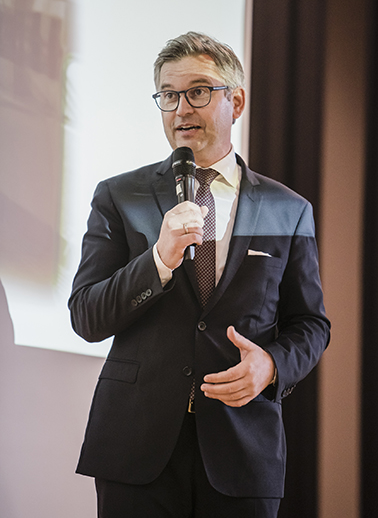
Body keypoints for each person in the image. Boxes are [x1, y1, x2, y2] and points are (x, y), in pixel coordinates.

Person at [68, 32, 330, 518]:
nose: (182, 108)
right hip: (135, 449)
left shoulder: (286, 209)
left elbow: (312, 325)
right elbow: (86, 315)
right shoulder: (120, 196)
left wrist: (270, 366)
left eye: (198, 91)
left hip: (242, 452)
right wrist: (159, 260)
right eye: (169, 95)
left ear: (237, 101)